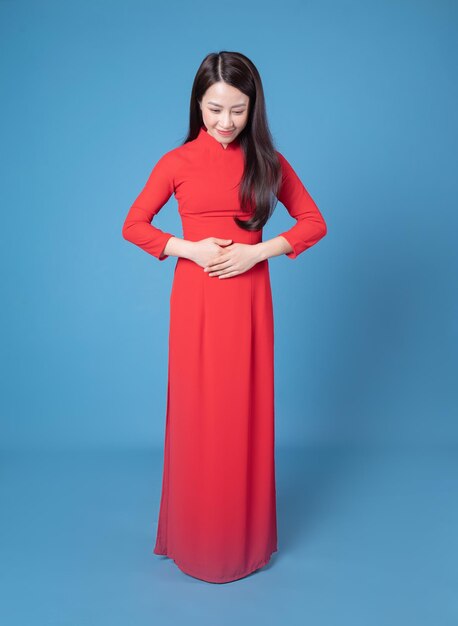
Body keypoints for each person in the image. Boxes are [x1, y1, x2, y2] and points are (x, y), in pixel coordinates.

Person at [122, 51, 327, 584]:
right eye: (214, 108)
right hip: (196, 300)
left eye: (237, 109)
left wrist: (257, 252)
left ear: (253, 107)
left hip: (249, 300)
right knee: (198, 412)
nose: (225, 121)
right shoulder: (176, 161)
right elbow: (135, 225)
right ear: (197, 104)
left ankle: (242, 543)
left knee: (243, 412)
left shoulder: (268, 162)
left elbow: (312, 223)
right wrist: (187, 248)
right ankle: (194, 539)